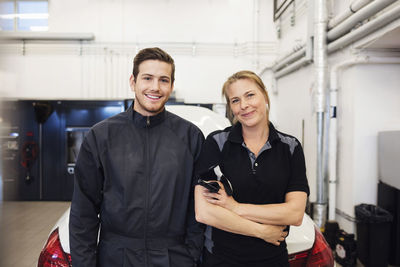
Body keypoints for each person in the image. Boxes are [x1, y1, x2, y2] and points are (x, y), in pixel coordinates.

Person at [69, 47, 205, 267]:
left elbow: (198, 206)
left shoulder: (190, 137)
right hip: (115, 257)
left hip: (174, 257)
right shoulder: (101, 136)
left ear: (171, 86)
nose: (155, 87)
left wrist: (191, 255)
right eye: (147, 78)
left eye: (163, 80)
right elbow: (83, 212)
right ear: (133, 82)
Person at [194, 70, 309, 267]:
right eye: (235, 100)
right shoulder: (217, 143)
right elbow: (205, 212)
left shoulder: (290, 147)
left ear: (264, 95)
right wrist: (262, 231)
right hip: (221, 259)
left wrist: (234, 207)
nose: (244, 106)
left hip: (273, 260)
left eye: (250, 95)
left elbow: (295, 214)